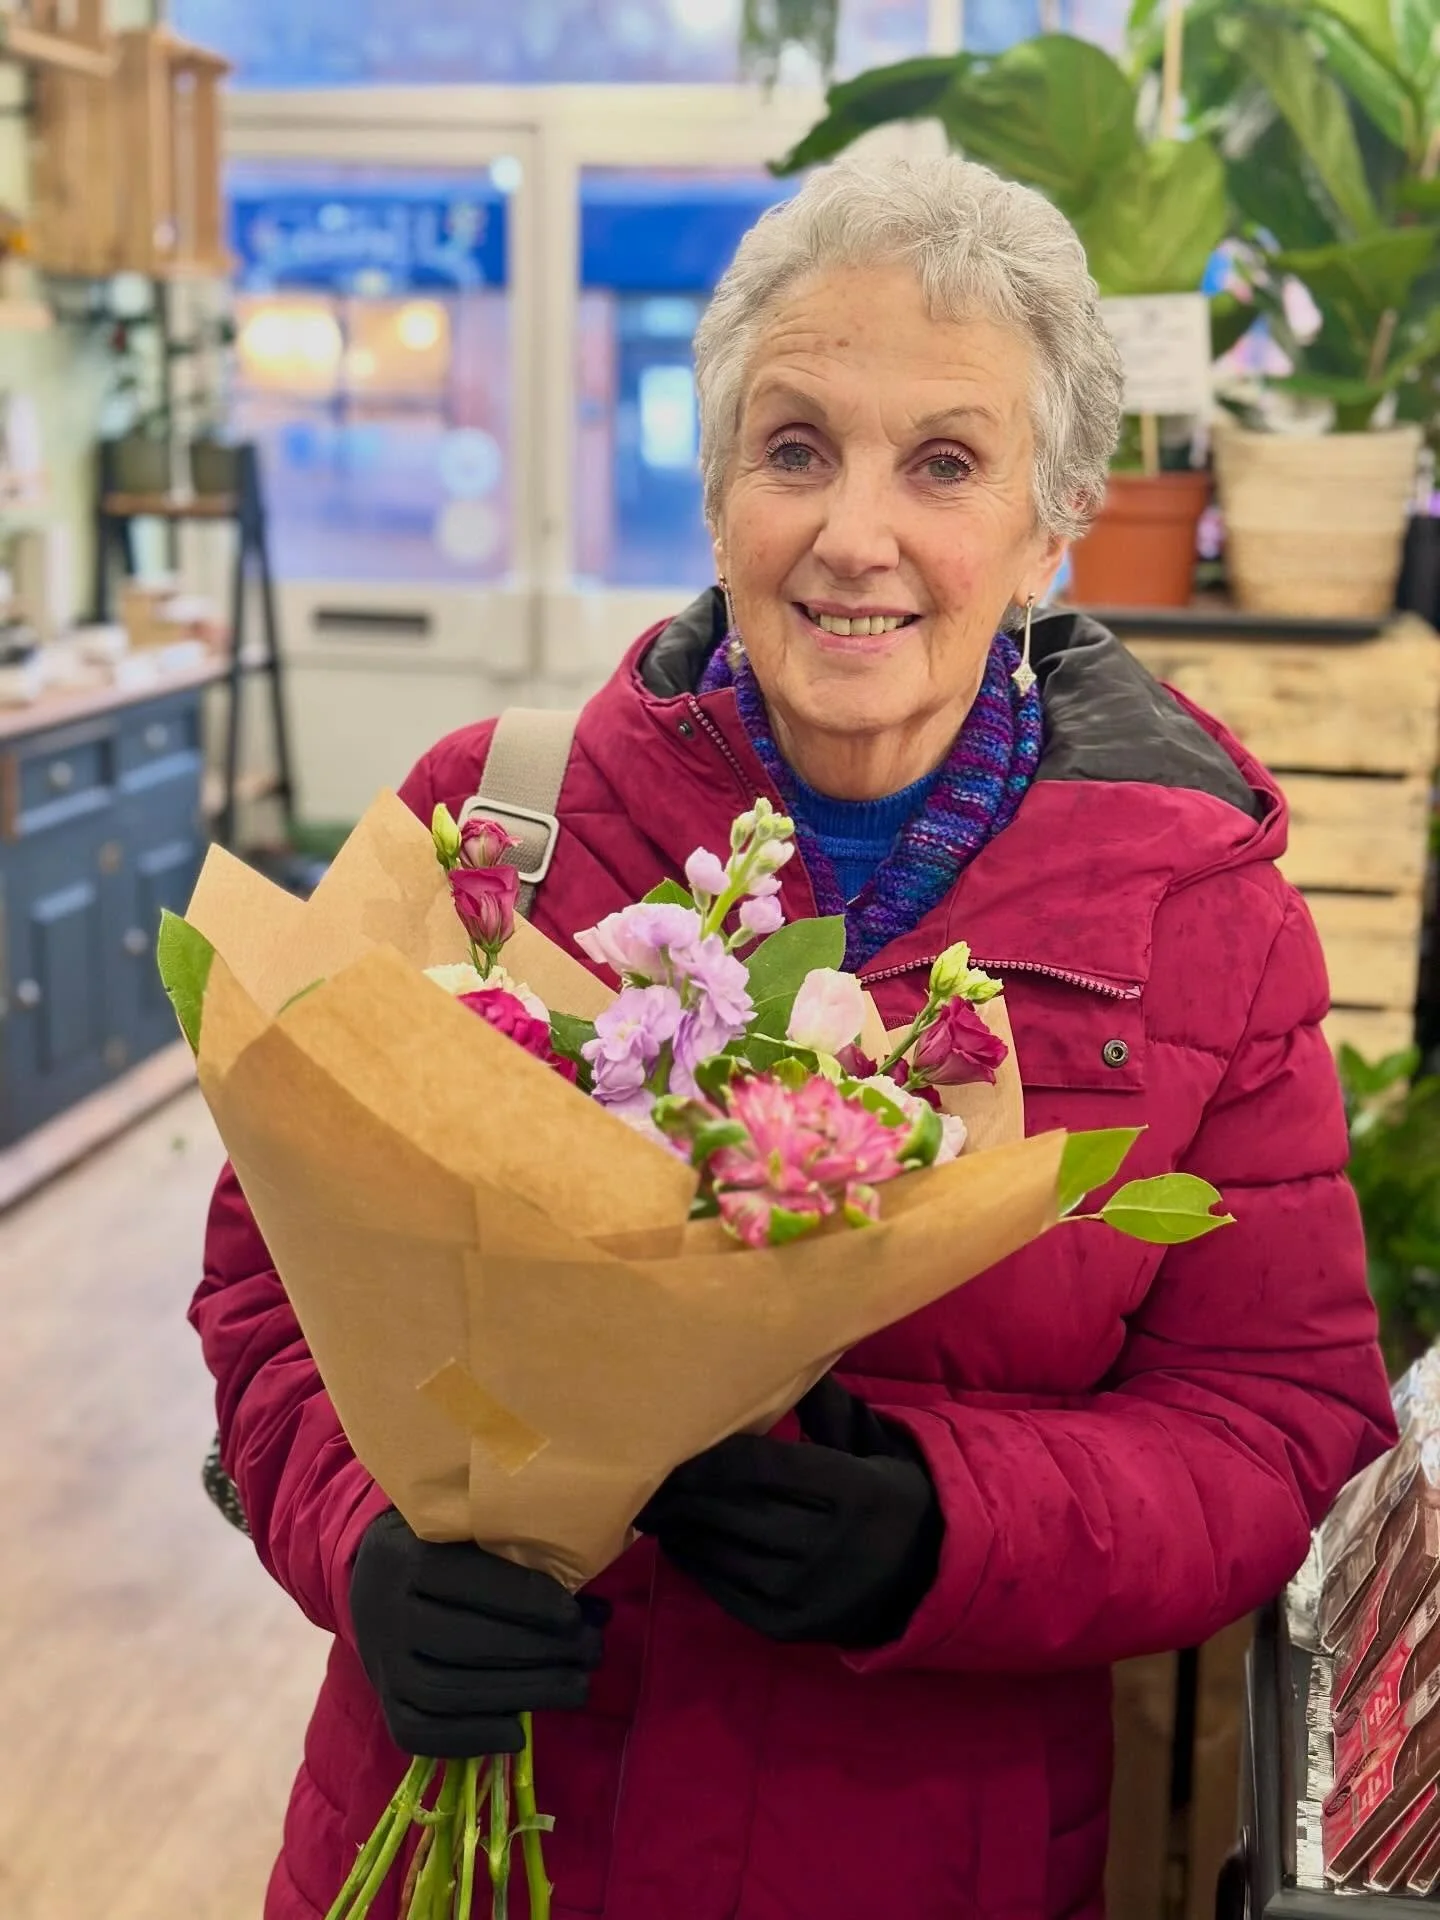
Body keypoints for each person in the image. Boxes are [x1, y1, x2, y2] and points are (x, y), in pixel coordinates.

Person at [193, 154, 1395, 1920]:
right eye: (796, 448)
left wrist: (948, 1527)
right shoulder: (491, 837)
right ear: (718, 490)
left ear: (1054, 523)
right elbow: (270, 1293)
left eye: (946, 464)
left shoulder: (1199, 920)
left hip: (921, 1846)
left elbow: (1283, 1417)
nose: (854, 535)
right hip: (466, 1833)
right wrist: (357, 1546)